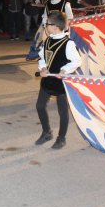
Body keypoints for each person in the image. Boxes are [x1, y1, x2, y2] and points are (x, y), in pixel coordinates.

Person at [34, 11, 82, 150]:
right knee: (40, 106)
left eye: (47, 23)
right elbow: (43, 57)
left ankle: (61, 138)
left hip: (61, 83)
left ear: (54, 26)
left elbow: (76, 60)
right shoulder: (48, 40)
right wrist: (42, 68)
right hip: (48, 80)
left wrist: (64, 70)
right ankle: (46, 132)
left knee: (62, 111)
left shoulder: (68, 43)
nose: (45, 25)